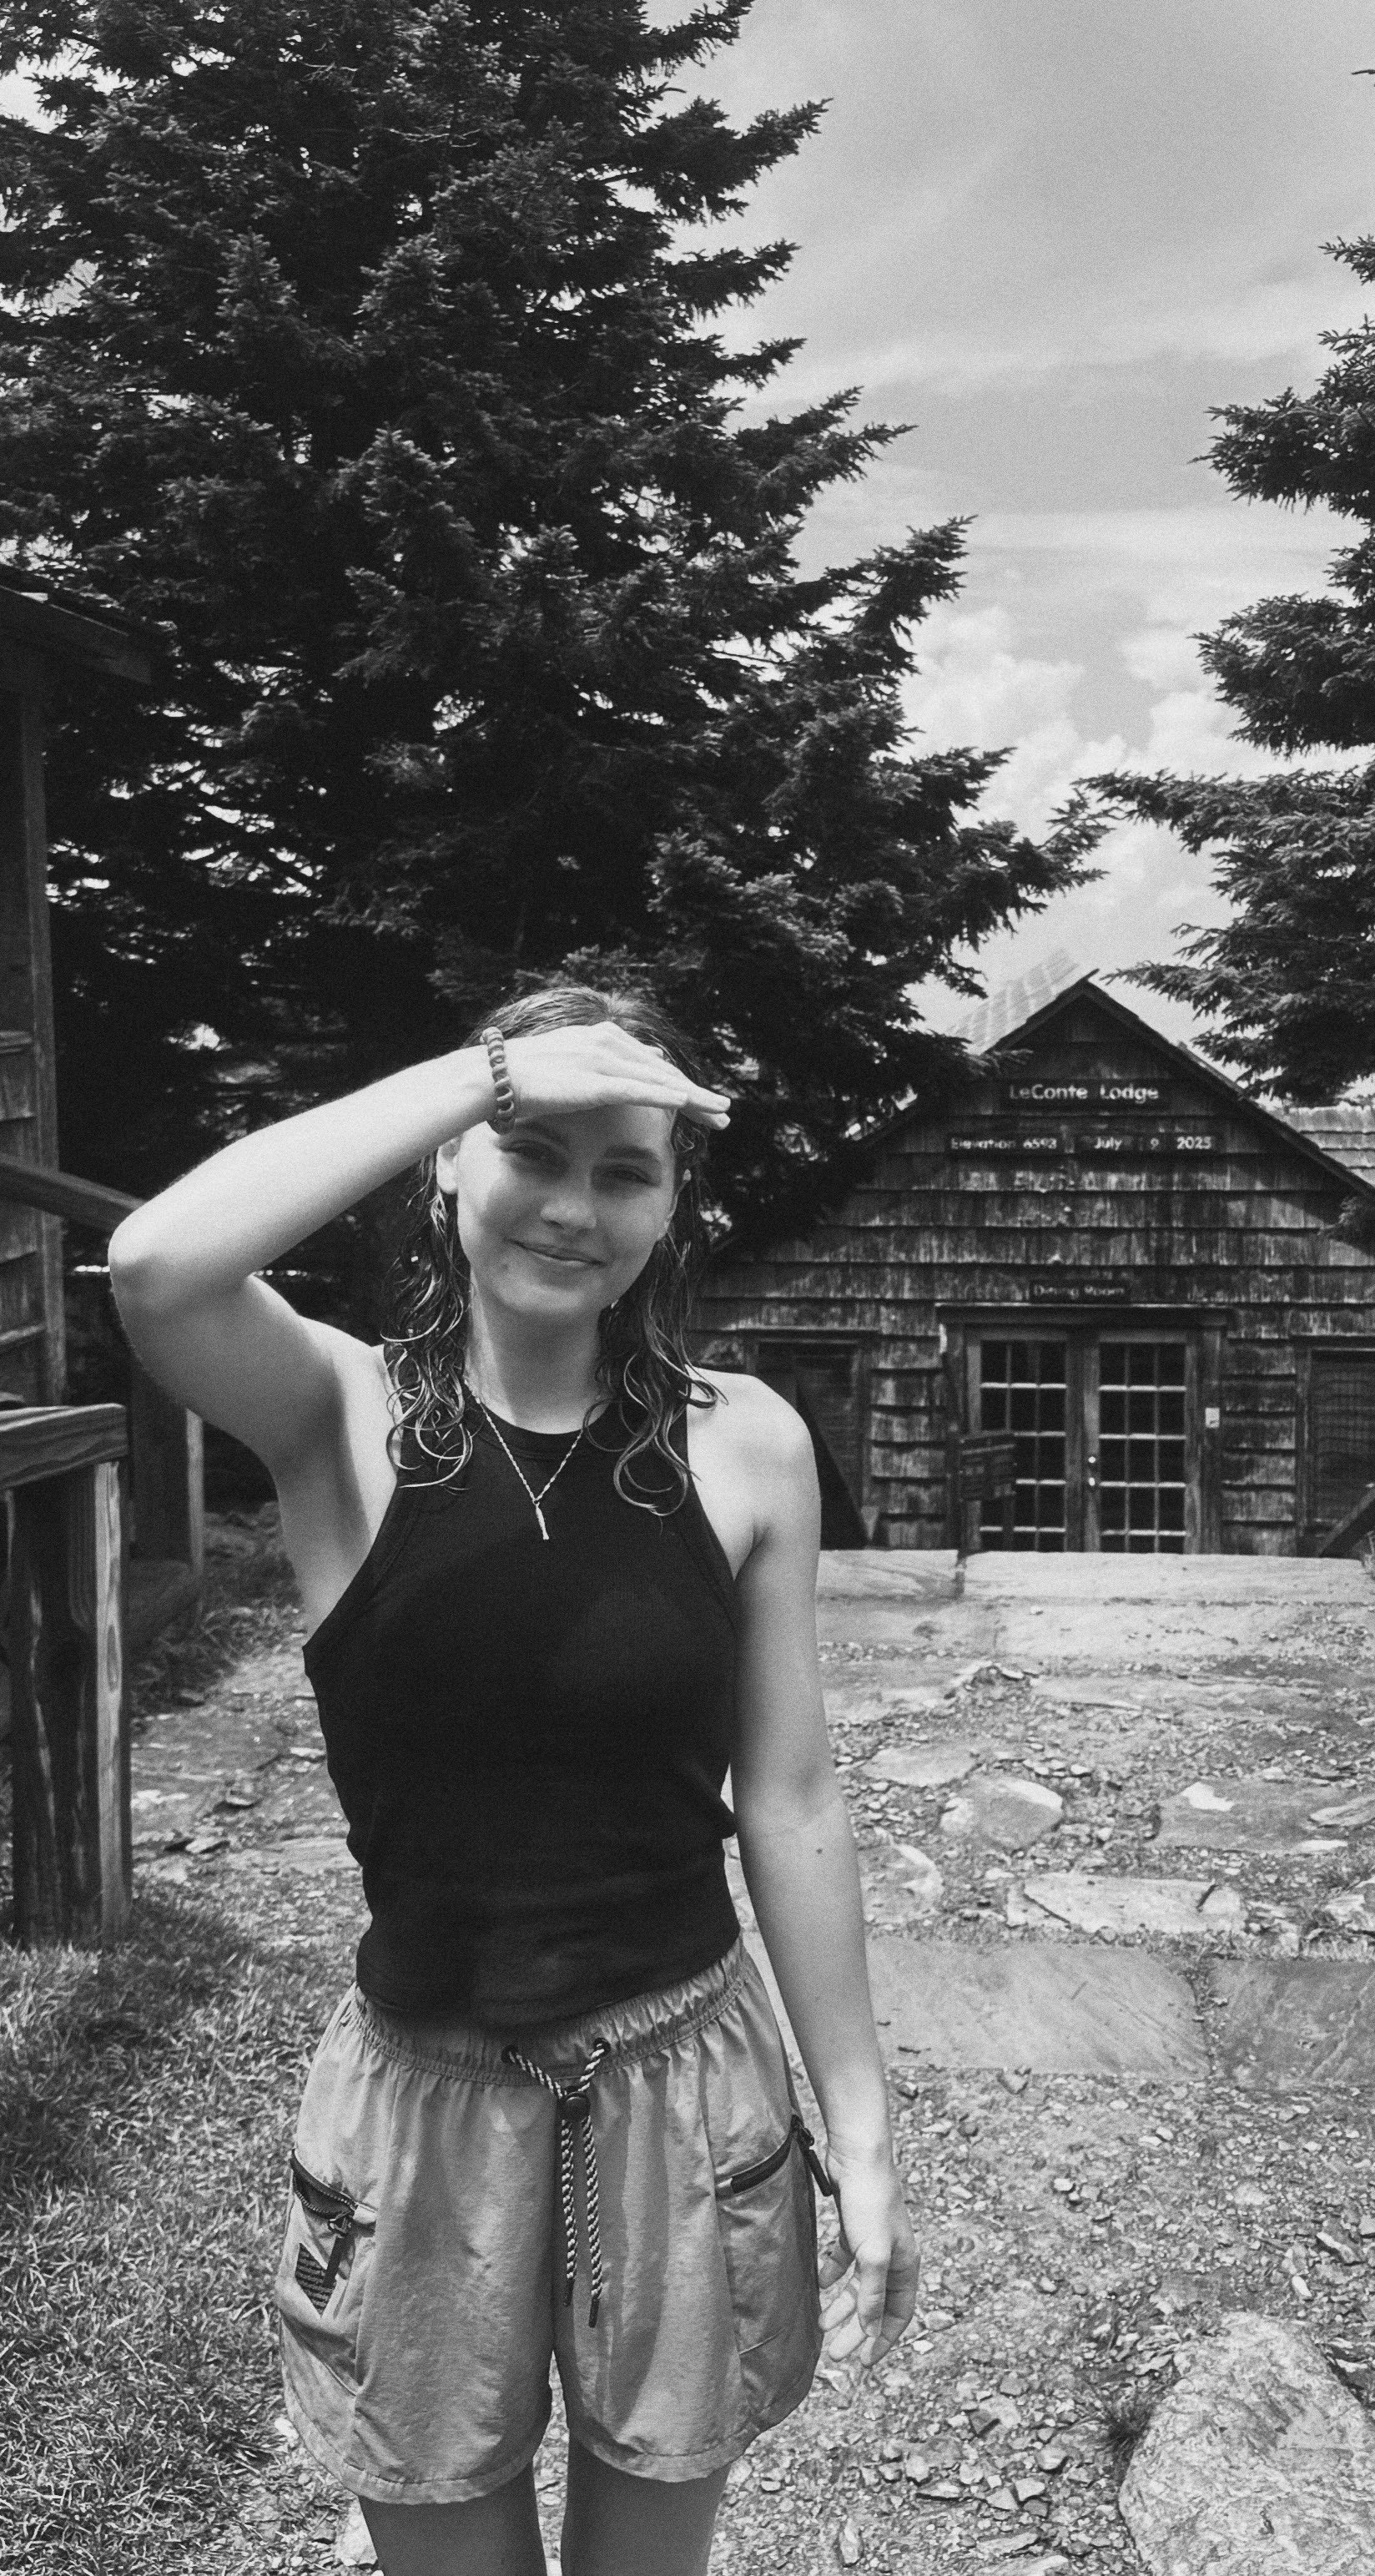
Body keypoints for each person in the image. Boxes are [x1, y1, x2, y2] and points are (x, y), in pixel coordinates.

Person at [109, 984, 918, 2576]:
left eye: (628, 1170)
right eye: (528, 1151)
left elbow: (796, 1799)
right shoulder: (336, 1415)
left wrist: (868, 2131)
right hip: (420, 2103)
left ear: (675, 1202)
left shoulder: (746, 1441)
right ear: (445, 1168)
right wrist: (484, 1070)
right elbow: (158, 1264)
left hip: (684, 2084)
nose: (572, 1207)